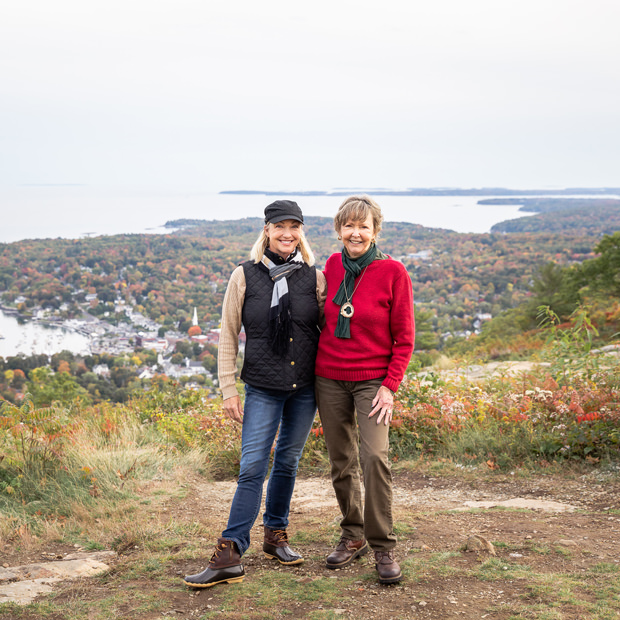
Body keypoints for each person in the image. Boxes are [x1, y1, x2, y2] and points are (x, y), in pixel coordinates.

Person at [184, 200, 326, 589]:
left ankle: (275, 536)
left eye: (294, 227)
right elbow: (228, 334)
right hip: (261, 386)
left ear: (301, 232)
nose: (286, 233)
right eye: (279, 226)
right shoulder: (244, 276)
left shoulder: (314, 277)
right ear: (265, 230)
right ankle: (230, 551)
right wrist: (228, 388)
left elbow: (327, 332)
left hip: (304, 388)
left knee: (288, 461)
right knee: (252, 468)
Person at [314, 195, 415, 585]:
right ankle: (352, 534)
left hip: (373, 381)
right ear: (339, 230)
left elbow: (404, 338)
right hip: (329, 376)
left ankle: (383, 544)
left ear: (375, 231)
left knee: (375, 458)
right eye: (349, 226)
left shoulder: (393, 272)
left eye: (364, 227)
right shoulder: (333, 264)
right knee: (341, 460)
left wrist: (390, 386)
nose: (356, 233)